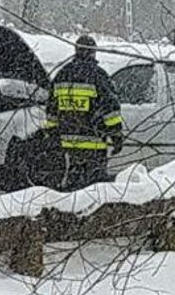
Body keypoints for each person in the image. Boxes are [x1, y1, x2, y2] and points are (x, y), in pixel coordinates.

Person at [43, 35, 123, 189]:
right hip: (94, 144)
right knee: (94, 188)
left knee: (74, 184)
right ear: (93, 53)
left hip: (69, 144)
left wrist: (52, 135)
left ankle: (72, 210)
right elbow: (110, 110)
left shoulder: (62, 75)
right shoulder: (98, 76)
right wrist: (116, 136)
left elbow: (51, 110)